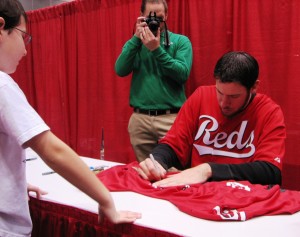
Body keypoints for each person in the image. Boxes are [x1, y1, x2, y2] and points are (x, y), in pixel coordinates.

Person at [0, 0, 141, 236]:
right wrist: (105, 198)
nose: (25, 50)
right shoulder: (3, 86)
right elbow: (51, 149)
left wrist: (11, 185)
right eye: (23, 36)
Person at [136, 51, 286, 187]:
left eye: (234, 96)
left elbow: (270, 171)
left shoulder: (269, 112)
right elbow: (175, 144)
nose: (224, 103)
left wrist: (209, 170)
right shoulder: (201, 96)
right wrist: (157, 160)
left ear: (254, 87)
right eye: (219, 92)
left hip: (242, 195)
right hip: (199, 192)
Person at [115, 0, 193, 162]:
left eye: (159, 17)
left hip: (171, 118)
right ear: (141, 16)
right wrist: (136, 39)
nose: (154, 21)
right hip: (140, 119)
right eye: (150, 17)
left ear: (166, 16)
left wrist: (157, 50)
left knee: (176, 169)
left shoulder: (180, 41)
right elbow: (120, 70)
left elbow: (182, 74)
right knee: (146, 171)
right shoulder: (136, 44)